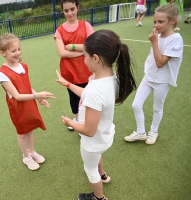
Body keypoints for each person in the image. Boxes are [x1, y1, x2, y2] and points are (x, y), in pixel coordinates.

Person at [56, 29, 137, 200]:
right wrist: (68, 84)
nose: (83, 60)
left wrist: (70, 123)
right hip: (104, 136)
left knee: (89, 168)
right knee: (96, 158)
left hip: (93, 141)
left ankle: (98, 197)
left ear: (96, 58)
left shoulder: (96, 90)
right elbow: (87, 94)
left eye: (84, 56)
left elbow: (88, 130)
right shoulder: (109, 78)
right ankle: (103, 174)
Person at [124, 3, 183, 145]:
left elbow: (161, 63)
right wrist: (156, 40)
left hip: (162, 80)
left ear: (173, 21)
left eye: (161, 22)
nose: (156, 25)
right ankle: (140, 132)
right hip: (149, 76)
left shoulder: (176, 39)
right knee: (136, 105)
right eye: (155, 21)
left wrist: (154, 42)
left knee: (157, 108)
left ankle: (154, 131)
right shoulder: (158, 36)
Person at [0, 33, 55, 171]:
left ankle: (32, 151)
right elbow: (16, 96)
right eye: (13, 51)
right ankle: (26, 156)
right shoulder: (2, 73)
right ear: (2, 53)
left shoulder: (23, 66)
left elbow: (26, 86)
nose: (17, 53)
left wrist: (38, 97)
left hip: (28, 102)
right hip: (17, 107)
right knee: (22, 133)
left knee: (30, 129)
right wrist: (37, 95)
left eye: (19, 49)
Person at [54, 0, 94, 131]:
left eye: (72, 9)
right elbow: (62, 53)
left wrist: (73, 47)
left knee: (89, 94)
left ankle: (90, 118)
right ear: (63, 11)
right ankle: (76, 118)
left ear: (77, 8)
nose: (70, 13)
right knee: (74, 96)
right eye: (66, 11)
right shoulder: (59, 30)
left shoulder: (86, 25)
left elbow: (92, 46)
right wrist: (83, 51)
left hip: (87, 68)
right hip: (69, 70)